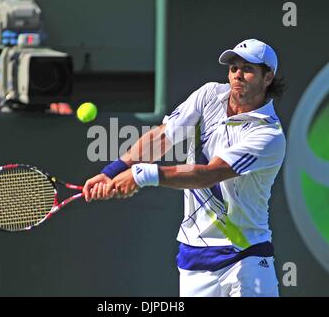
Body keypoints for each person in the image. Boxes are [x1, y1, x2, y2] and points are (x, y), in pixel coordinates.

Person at [83, 38, 286, 297]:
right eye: (233, 68)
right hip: (194, 259)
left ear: (268, 77)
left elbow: (210, 175)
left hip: (247, 256)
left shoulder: (268, 133)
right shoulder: (209, 95)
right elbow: (162, 138)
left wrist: (142, 175)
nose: (237, 75)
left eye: (247, 69)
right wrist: (111, 172)